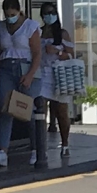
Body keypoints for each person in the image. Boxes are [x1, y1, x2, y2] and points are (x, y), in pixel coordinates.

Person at [0, 0, 40, 170]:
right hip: (6, 67)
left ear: (19, 11)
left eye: (13, 14)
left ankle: (36, 148)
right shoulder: (1, 27)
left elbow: (37, 53)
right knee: (5, 108)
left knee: (28, 109)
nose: (10, 18)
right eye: (7, 15)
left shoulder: (30, 26)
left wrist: (30, 75)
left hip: (25, 66)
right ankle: (2, 152)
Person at [34, 10, 80, 167]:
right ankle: (41, 147)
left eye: (51, 12)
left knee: (61, 111)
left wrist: (58, 51)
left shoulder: (62, 33)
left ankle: (65, 143)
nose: (48, 16)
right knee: (41, 109)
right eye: (46, 13)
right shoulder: (38, 32)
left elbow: (71, 54)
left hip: (59, 75)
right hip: (42, 74)